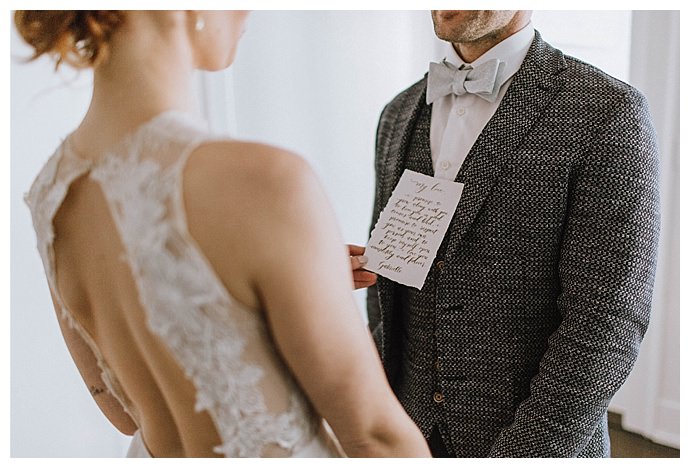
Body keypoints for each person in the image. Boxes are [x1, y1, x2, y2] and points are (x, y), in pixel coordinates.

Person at [16, 10, 430, 458]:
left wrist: (274, 285)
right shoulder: (263, 181)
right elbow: (377, 437)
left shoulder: (52, 193)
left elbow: (124, 413)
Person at [366, 10, 660, 457]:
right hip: (405, 438)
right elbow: (386, 295)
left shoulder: (607, 111)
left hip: (529, 441)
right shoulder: (398, 113)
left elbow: (607, 320)